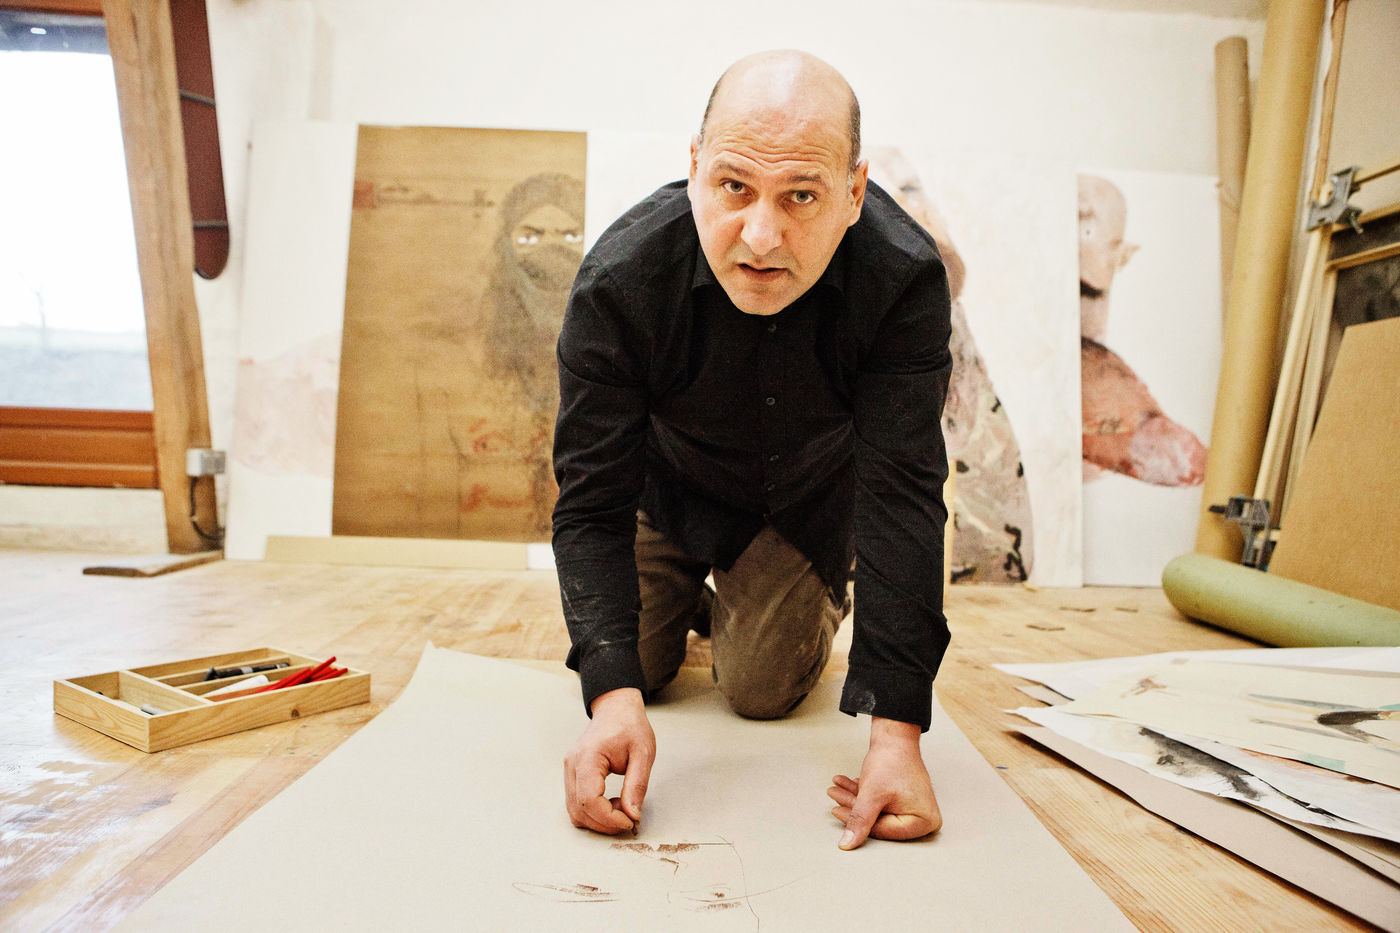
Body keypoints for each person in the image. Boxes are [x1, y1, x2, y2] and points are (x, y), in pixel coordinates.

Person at [552, 49, 952, 851]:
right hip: (669, 489)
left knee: (759, 690)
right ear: (694, 168)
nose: (761, 237)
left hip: (804, 501)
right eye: (734, 186)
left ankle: (785, 591)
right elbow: (590, 500)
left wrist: (897, 735)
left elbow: (902, 496)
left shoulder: (902, 281)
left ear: (854, 193)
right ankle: (696, 599)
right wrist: (612, 701)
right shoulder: (620, 281)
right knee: (636, 667)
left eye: (801, 194)